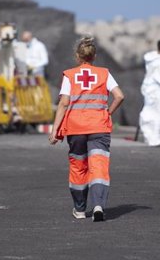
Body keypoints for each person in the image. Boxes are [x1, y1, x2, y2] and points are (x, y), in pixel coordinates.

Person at [49, 36, 125, 222]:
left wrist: (54, 130)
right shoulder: (104, 74)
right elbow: (119, 96)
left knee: (79, 167)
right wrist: (108, 112)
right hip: (99, 126)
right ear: (94, 56)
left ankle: (80, 209)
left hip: (75, 129)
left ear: (77, 56)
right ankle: (98, 205)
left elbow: (64, 103)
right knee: (98, 166)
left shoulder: (70, 75)